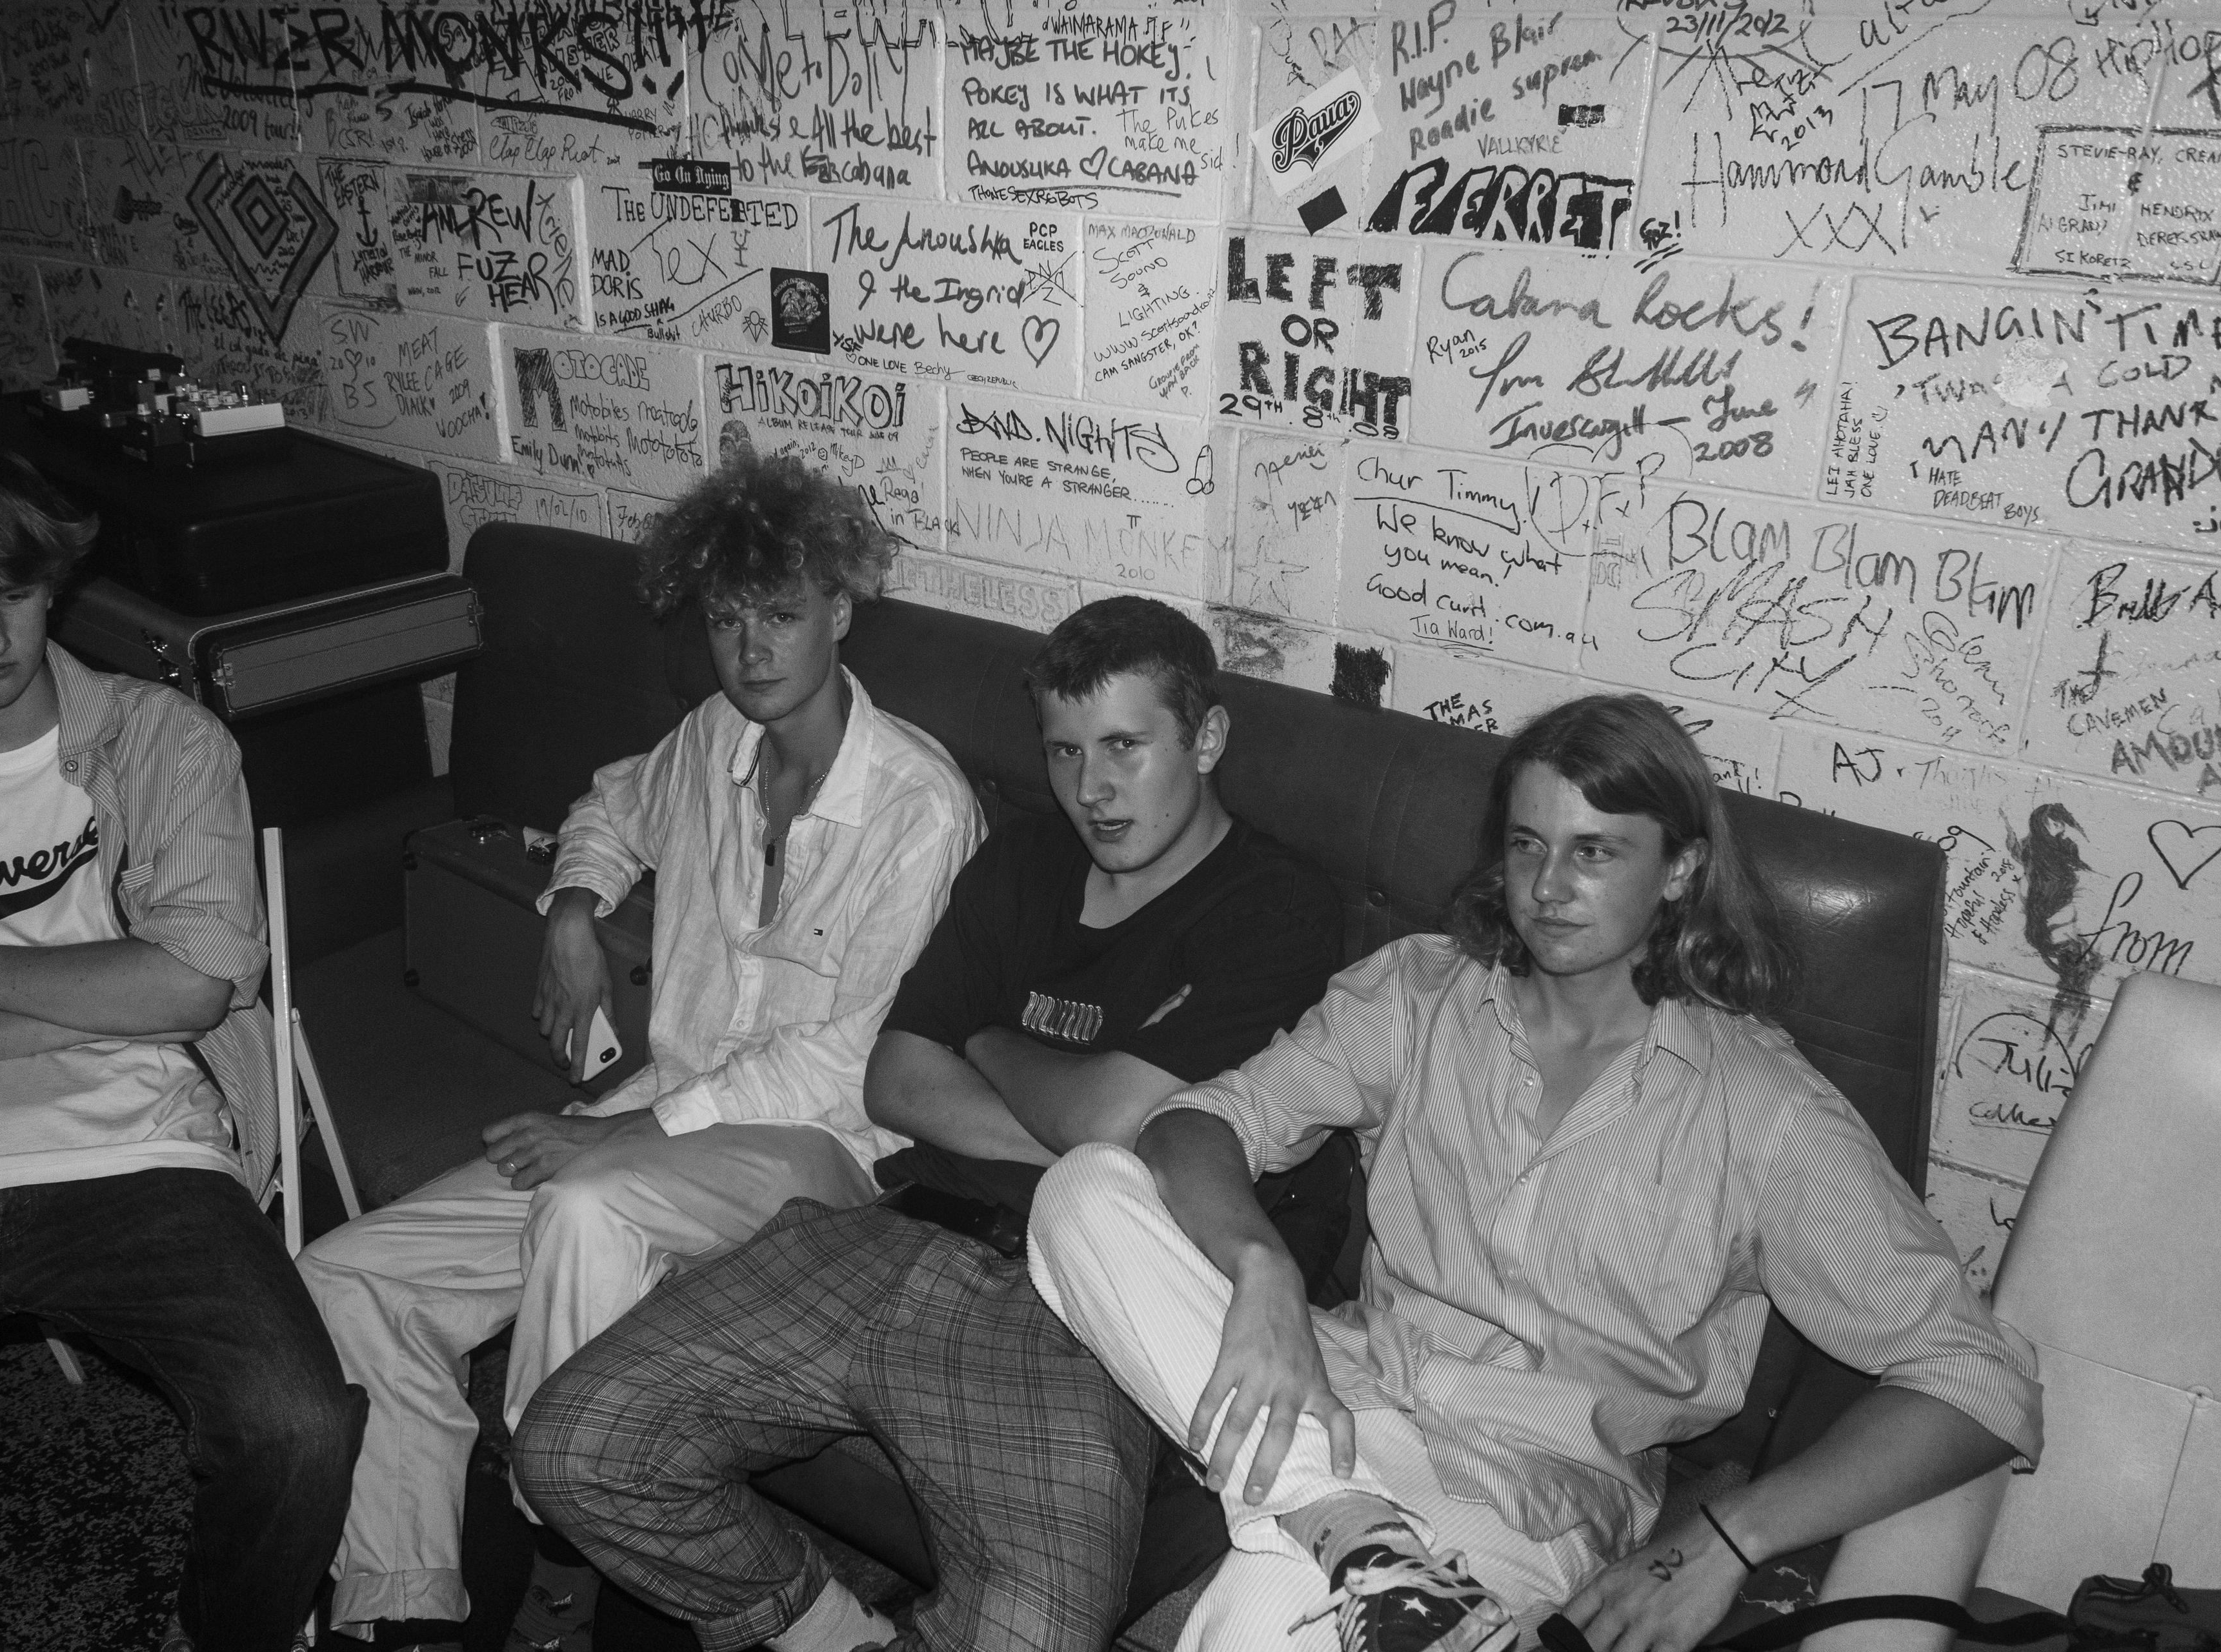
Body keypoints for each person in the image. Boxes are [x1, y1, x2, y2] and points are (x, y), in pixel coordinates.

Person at [1025, 694, 2045, 1652]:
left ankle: (1355, 1547)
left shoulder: (1766, 1113)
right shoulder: (1423, 995)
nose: (1550, 888)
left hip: (1526, 1496)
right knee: (1084, 1189)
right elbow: (1195, 1126)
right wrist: (1263, 1271)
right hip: (1341, 1408)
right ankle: (1356, 1533)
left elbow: (1978, 1378)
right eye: (1528, 846)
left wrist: (1733, 1537)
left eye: (1595, 852)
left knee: (1263, 1610)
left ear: (1681, 871)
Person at [515, 596, 1349, 1652]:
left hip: (1068, 1311)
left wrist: (988, 1037)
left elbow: (1113, 1118)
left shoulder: (1274, 907)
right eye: (1063, 751)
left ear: (1209, 738)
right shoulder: (1022, 863)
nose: (1092, 789)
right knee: (574, 1444)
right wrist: (1071, 1109)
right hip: (891, 1227)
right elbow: (897, 1081)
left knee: (1033, 1630)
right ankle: (835, 1635)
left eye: (1127, 747)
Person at [295, 451, 982, 1647]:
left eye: (780, 614)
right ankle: (404, 1603)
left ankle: (559, 1546)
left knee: (588, 1204)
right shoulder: (713, 738)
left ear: (840, 613)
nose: (752, 649)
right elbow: (608, 806)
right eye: (726, 619)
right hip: (669, 1108)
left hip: (827, 1155)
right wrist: (572, 904)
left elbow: (843, 1066)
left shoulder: (920, 808)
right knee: (350, 1276)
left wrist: (618, 1131)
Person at [0, 434, 363, 1652]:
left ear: (55, 585)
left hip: (139, 1148)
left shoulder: (167, 740)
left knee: (300, 1428)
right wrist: (103, 991)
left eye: (16, 592)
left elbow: (196, 987)